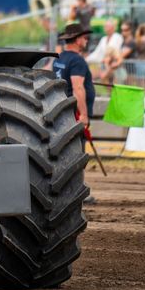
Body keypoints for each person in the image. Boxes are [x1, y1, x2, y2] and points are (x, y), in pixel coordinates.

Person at [53, 23, 96, 204]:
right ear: (78, 40)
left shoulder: (59, 58)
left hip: (61, 111)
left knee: (65, 154)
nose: (86, 41)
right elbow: (78, 87)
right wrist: (84, 115)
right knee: (77, 154)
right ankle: (76, 192)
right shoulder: (77, 61)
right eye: (85, 38)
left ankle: (65, 191)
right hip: (74, 114)